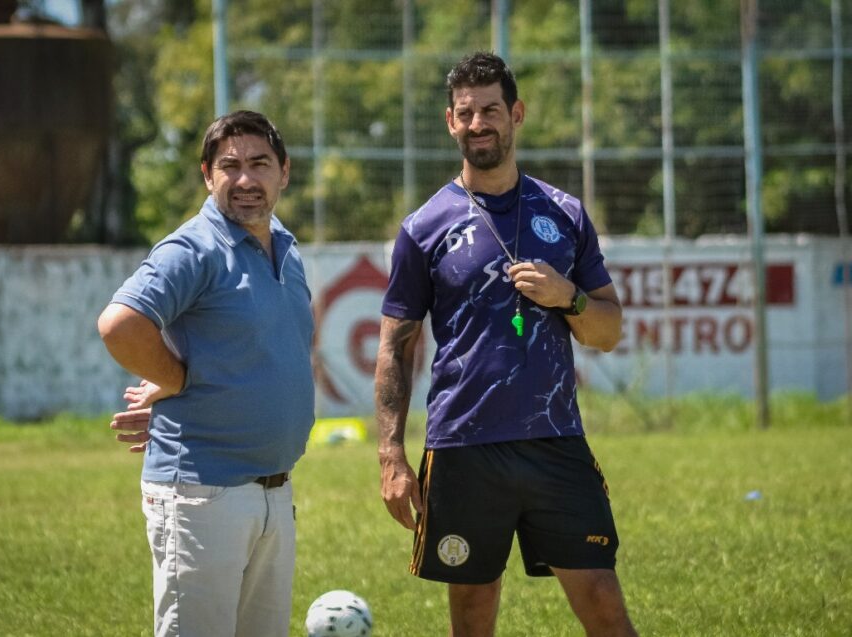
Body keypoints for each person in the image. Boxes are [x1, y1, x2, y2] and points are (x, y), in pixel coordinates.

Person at [374, 52, 638, 637]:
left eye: (490, 110)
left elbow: (608, 331)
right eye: (466, 113)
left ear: (516, 114)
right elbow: (395, 347)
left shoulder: (564, 213)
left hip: (554, 439)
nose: (479, 124)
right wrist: (391, 453)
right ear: (450, 122)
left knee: (602, 597)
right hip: (463, 445)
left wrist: (567, 297)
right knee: (472, 612)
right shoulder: (424, 227)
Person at [97, 110, 315, 637]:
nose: (245, 179)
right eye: (229, 166)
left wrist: (189, 387)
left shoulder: (284, 246)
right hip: (201, 496)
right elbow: (120, 325)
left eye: (260, 164)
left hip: (274, 492)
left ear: (284, 171)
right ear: (207, 175)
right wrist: (177, 382)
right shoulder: (192, 248)